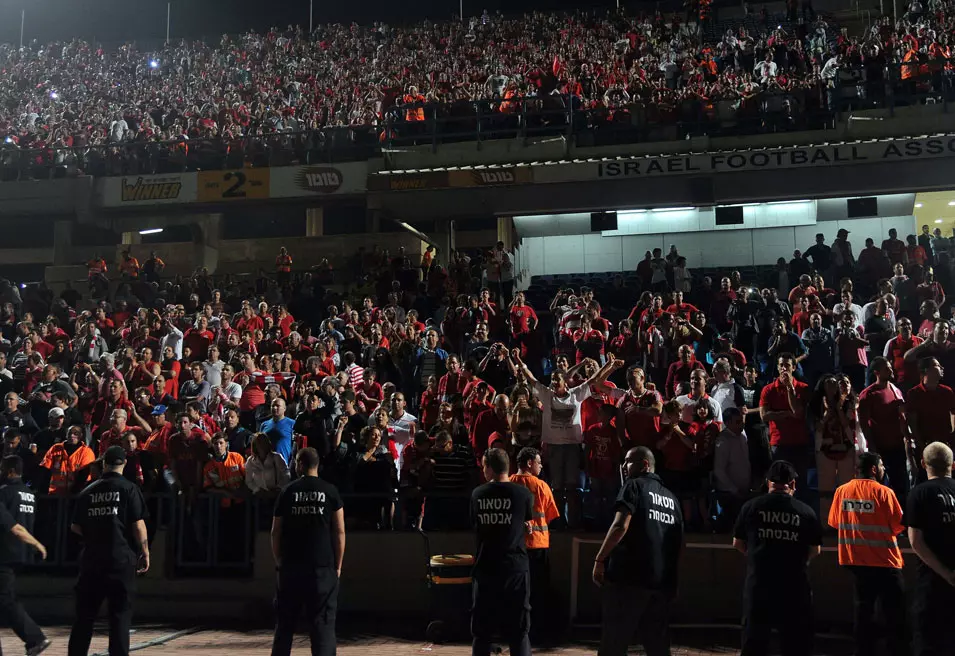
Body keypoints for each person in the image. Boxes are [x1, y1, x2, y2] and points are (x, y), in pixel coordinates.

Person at [592, 446, 684, 656]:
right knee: (657, 646)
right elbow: (680, 544)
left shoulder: (634, 486)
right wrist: (674, 581)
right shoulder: (672, 499)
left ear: (644, 465)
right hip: (660, 585)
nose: (623, 466)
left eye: (628, 461)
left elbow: (620, 525)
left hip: (629, 581)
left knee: (614, 644)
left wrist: (600, 559)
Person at [732, 460, 822, 656]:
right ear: (793, 484)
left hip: (759, 586)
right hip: (794, 588)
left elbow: (738, 544)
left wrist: (758, 555)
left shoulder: (750, 507)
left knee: (754, 643)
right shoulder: (806, 512)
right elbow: (815, 549)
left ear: (768, 482)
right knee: (795, 645)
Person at [68, 445, 149, 656]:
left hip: (92, 558)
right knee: (120, 616)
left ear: (104, 463)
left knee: (84, 617)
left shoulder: (88, 491)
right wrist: (145, 552)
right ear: (124, 464)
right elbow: (138, 525)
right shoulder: (129, 489)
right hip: (120, 559)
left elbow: (75, 526)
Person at [827, 451, 905, 656]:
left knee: (863, 612)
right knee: (894, 614)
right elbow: (898, 526)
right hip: (886, 562)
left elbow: (835, 522)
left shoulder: (841, 491)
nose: (883, 469)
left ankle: (863, 652)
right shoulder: (884, 493)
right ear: (873, 469)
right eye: (881, 466)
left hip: (855, 561)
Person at [271, 447, 345, 656]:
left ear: (300, 464)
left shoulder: (288, 492)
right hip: (322, 567)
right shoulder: (330, 491)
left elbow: (275, 532)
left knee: (285, 625)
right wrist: (337, 566)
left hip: (291, 567)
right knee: (323, 625)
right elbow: (339, 531)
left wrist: (279, 562)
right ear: (317, 465)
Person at [470, 447, 534, 656]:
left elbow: (475, 525)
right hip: (515, 567)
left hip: (486, 566)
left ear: (488, 468)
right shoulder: (523, 494)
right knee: (519, 630)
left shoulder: (478, 494)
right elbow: (526, 523)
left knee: (482, 631)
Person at [905, 442, 955, 656]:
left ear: (923, 464)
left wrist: (947, 574)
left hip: (932, 583)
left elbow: (916, 542)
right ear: (952, 465)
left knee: (929, 642)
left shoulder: (919, 493)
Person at [0, 456, 51, 656]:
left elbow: (14, 527)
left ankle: (35, 638)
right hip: (19, 554)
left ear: (9, 470)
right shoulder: (29, 493)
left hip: (3, 554)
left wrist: (37, 543)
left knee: (6, 600)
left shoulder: (4, 493)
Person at [510, 446, 560, 644]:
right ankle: (537, 633)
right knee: (537, 593)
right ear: (529, 463)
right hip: (538, 547)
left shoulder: (509, 483)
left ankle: (517, 630)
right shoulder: (541, 486)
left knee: (516, 593)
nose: (541, 466)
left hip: (514, 547)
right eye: (539, 462)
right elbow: (550, 515)